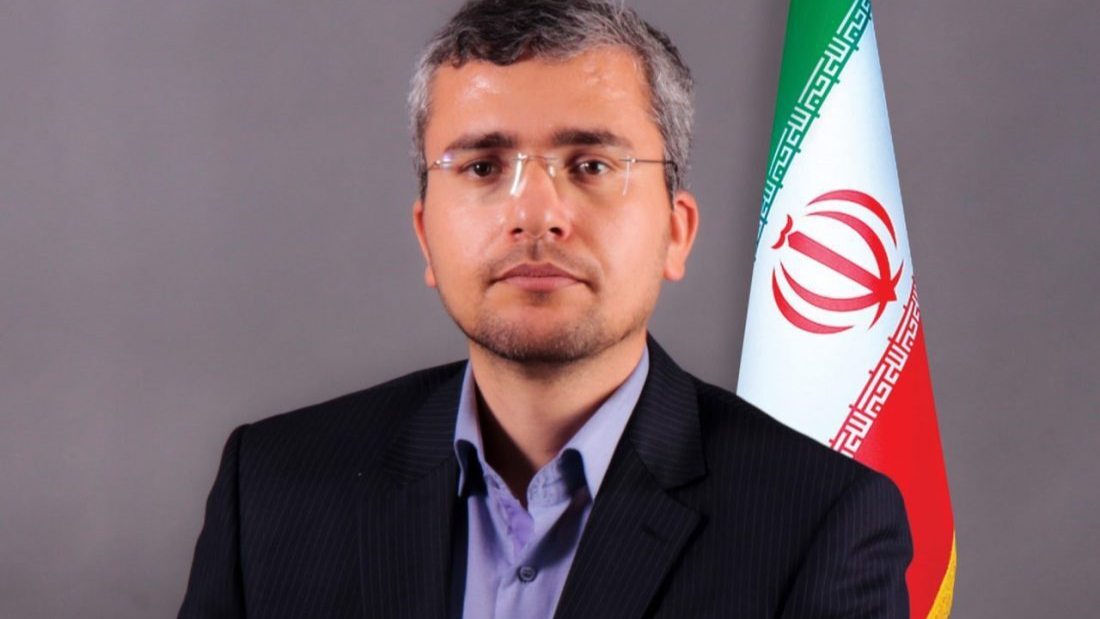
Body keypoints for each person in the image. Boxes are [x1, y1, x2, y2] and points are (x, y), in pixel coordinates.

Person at [178, 1, 912, 617]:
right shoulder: (270, 489)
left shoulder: (822, 524)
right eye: (482, 166)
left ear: (676, 231)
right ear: (425, 235)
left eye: (591, 165)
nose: (535, 214)